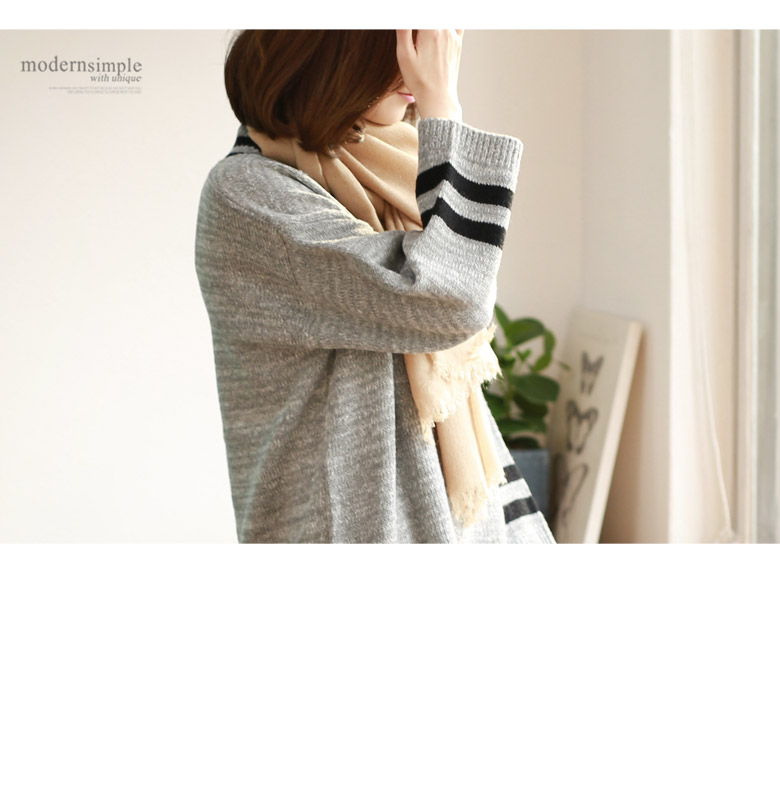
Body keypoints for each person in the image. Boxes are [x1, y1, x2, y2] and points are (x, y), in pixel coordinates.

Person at [195, 29, 556, 544]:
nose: (418, 61)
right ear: (334, 46)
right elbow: (448, 299)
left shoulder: (389, 166)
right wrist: (443, 107)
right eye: (401, 37)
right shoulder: (250, 195)